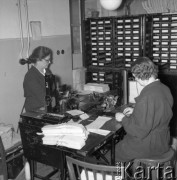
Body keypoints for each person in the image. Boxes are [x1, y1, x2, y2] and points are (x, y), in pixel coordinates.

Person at [115, 56, 173, 162]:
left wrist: (123, 118)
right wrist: (136, 110)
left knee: (115, 153)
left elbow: (138, 131)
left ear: (143, 75)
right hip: (163, 141)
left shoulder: (146, 96)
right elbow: (159, 111)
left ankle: (119, 176)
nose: (135, 79)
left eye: (135, 77)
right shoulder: (164, 88)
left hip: (148, 144)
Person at [23, 46, 53, 113]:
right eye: (47, 60)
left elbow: (52, 91)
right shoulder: (30, 77)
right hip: (35, 112)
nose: (50, 62)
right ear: (38, 60)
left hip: (46, 108)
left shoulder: (47, 71)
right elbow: (43, 98)